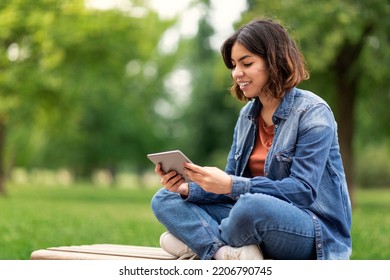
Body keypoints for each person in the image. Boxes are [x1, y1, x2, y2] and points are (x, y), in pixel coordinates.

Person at [151, 18, 352, 260]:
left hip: (309, 229)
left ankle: (199, 242)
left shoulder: (313, 112)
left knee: (251, 206)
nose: (237, 73)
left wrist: (232, 185)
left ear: (275, 61)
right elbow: (228, 189)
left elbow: (303, 191)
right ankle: (222, 252)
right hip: (247, 220)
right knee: (166, 198)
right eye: (234, 65)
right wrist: (190, 188)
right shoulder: (247, 116)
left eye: (247, 63)